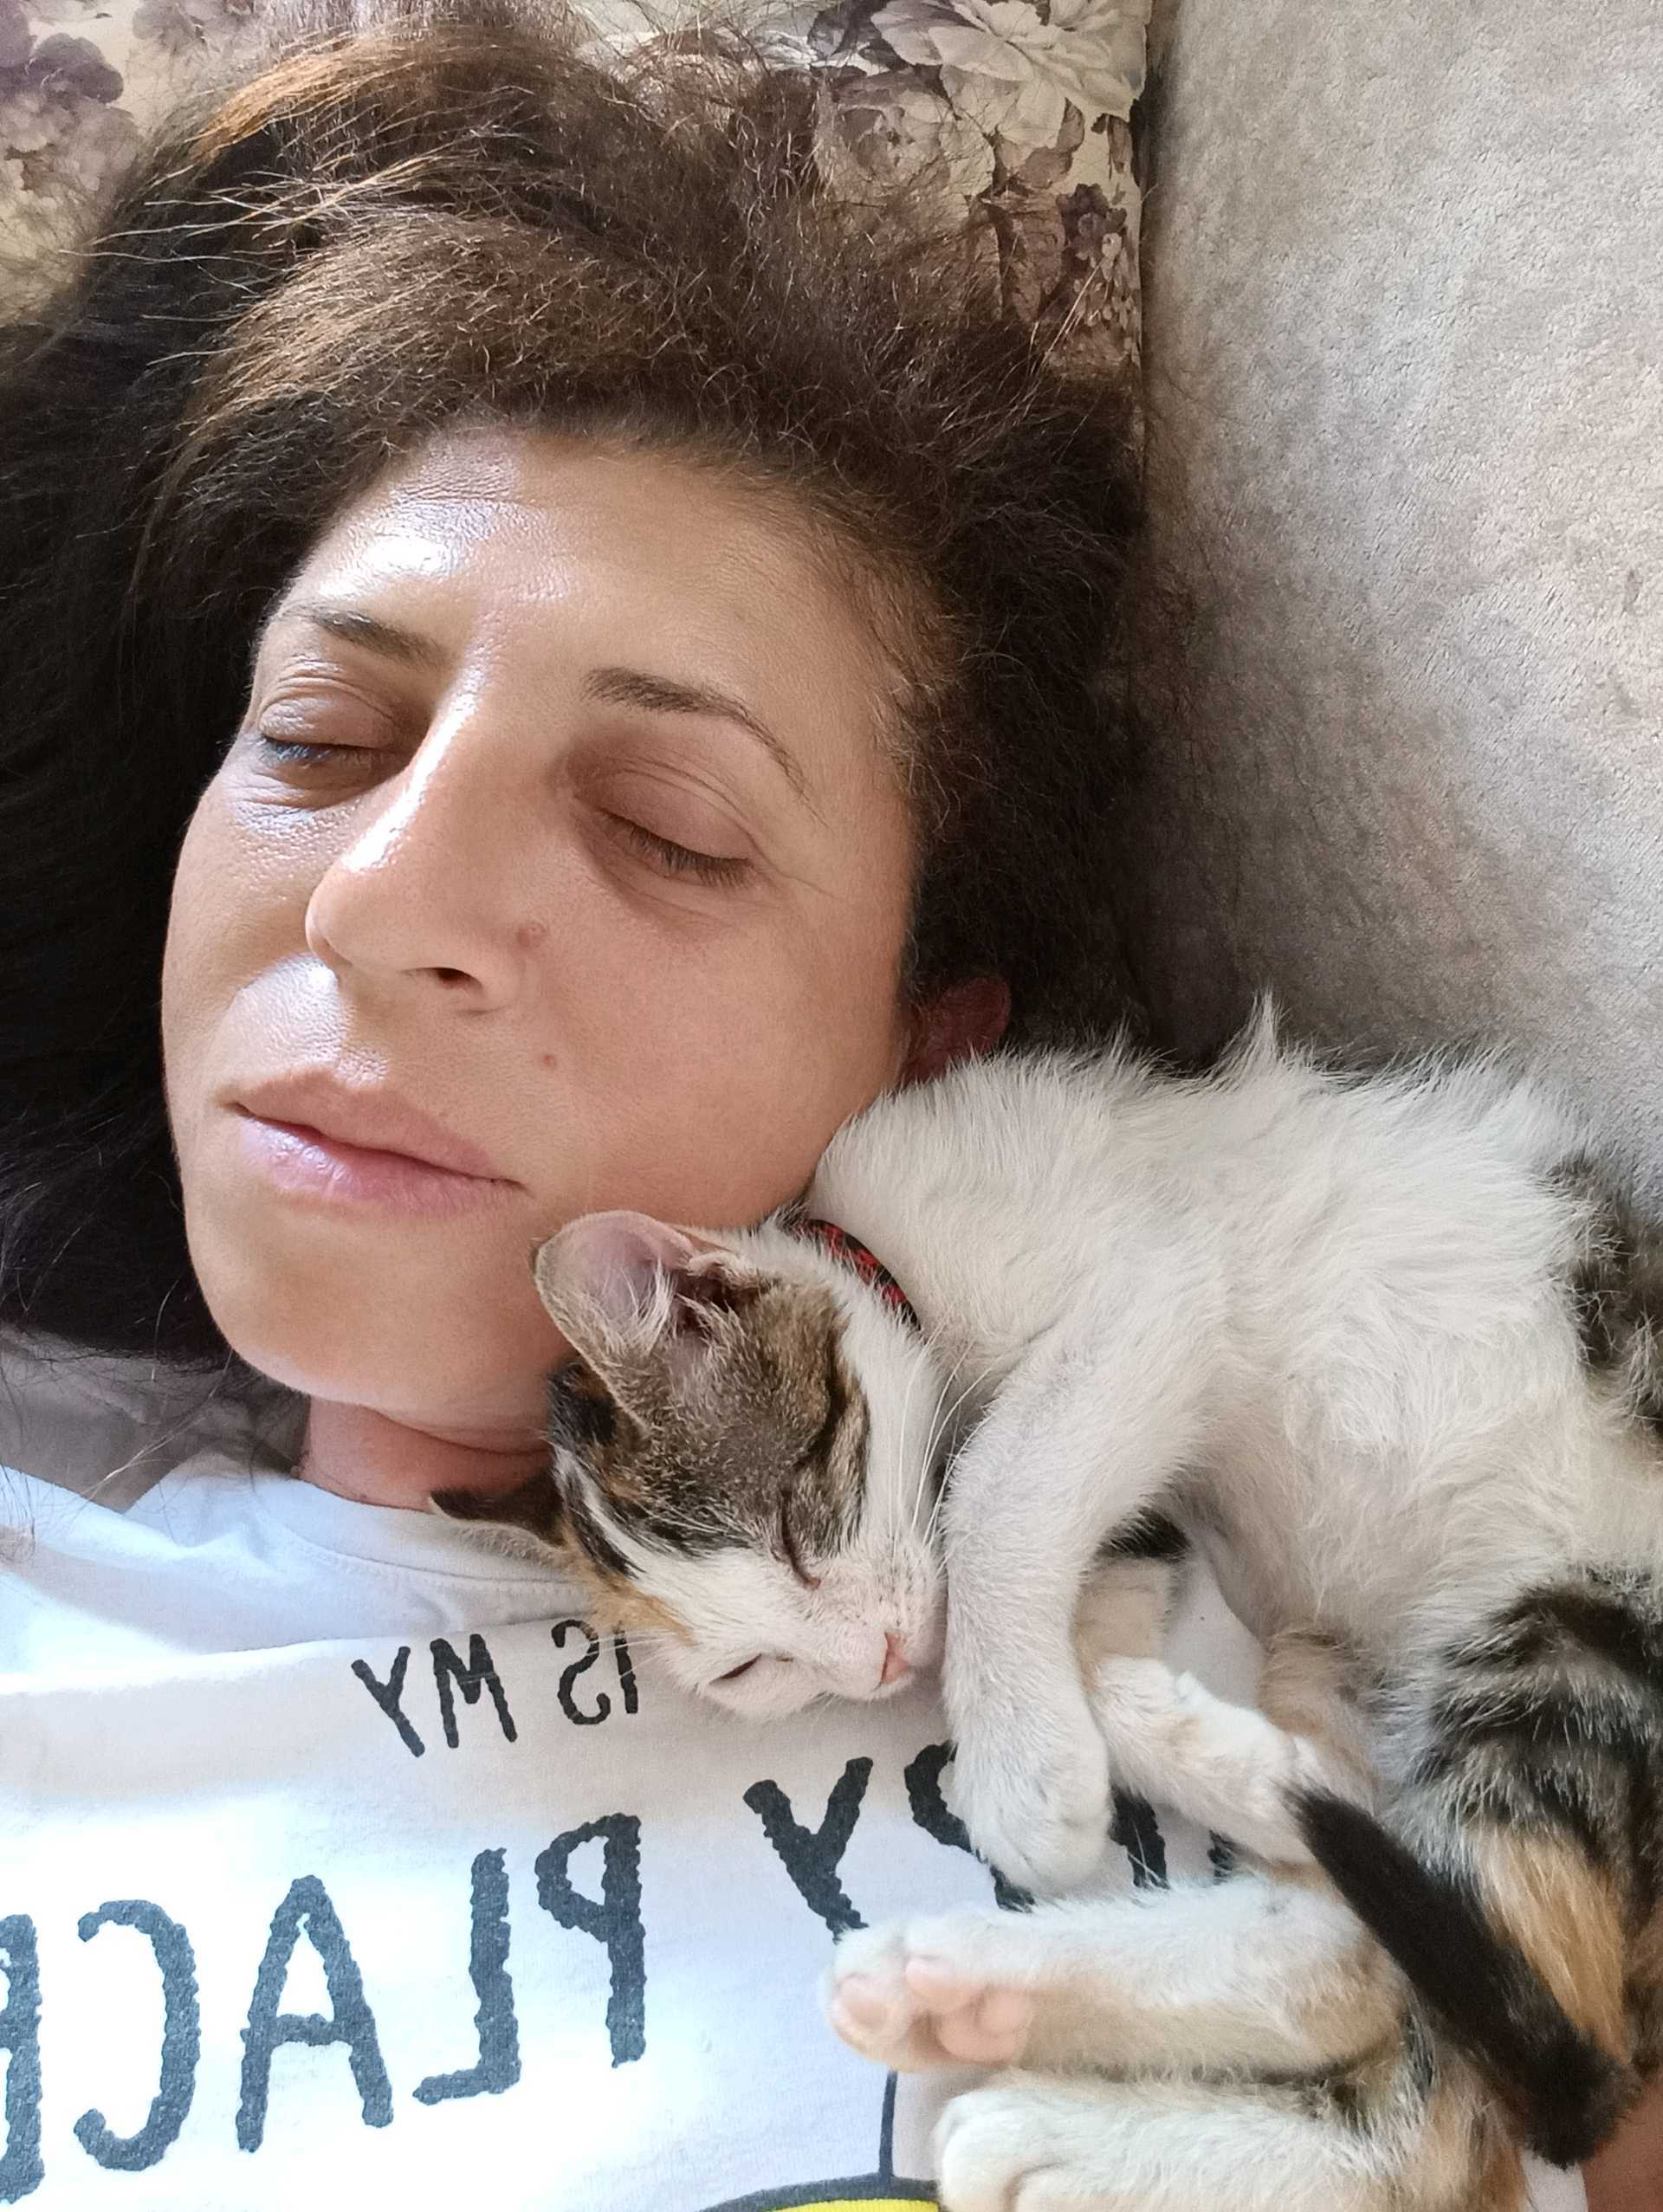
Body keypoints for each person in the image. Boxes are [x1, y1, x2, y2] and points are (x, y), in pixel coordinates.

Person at [0, 5, 1628, 2206]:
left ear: (929, 1052)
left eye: (666, 826)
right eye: (315, 740)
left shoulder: (1290, 1523)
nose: (383, 899)